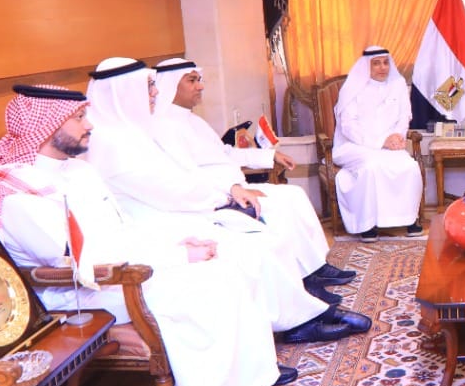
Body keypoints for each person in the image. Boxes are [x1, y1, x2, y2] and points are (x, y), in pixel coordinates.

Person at [0, 84, 290, 386]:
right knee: (204, 286)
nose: (89, 125)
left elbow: (122, 230)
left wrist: (175, 243)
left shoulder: (78, 172)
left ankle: (252, 373)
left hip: (116, 271)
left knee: (226, 265)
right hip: (78, 293)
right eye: (78, 118)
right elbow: (81, 263)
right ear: (47, 126)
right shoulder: (21, 196)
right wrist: (178, 256)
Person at [83, 57, 369, 344]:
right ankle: (299, 319)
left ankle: (303, 308)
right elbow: (172, 189)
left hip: (185, 210)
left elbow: (198, 168)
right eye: (148, 86)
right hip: (162, 224)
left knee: (263, 235)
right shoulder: (113, 143)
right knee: (256, 243)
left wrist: (232, 187)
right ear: (124, 92)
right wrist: (226, 194)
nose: (155, 92)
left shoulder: (136, 133)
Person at [150, 57, 355, 292]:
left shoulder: (192, 120)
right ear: (170, 85)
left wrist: (270, 156)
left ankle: (315, 268)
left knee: (294, 195)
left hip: (234, 188)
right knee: (280, 205)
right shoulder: (164, 127)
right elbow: (187, 174)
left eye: (200, 80)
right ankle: (303, 279)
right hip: (215, 197)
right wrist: (233, 190)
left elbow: (225, 153)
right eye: (192, 81)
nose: (201, 86)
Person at [332, 47, 425, 239]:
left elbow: (404, 116)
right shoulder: (352, 88)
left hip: (390, 145)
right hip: (354, 146)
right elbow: (348, 127)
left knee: (410, 167)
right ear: (367, 66)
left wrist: (397, 137)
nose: (382, 67)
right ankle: (368, 224)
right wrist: (380, 142)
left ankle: (409, 219)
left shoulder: (398, 84)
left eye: (385, 62)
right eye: (376, 63)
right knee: (371, 167)